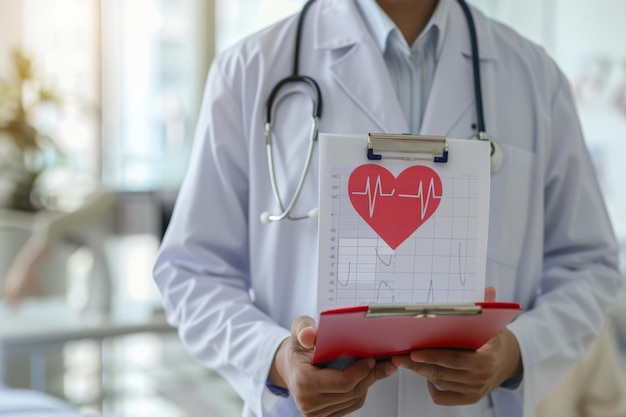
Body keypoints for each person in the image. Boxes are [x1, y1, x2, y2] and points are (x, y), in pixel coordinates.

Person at [152, 1, 624, 416]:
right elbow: (192, 270)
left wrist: (516, 352)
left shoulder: (535, 78)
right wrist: (273, 358)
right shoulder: (250, 70)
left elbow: (589, 265)